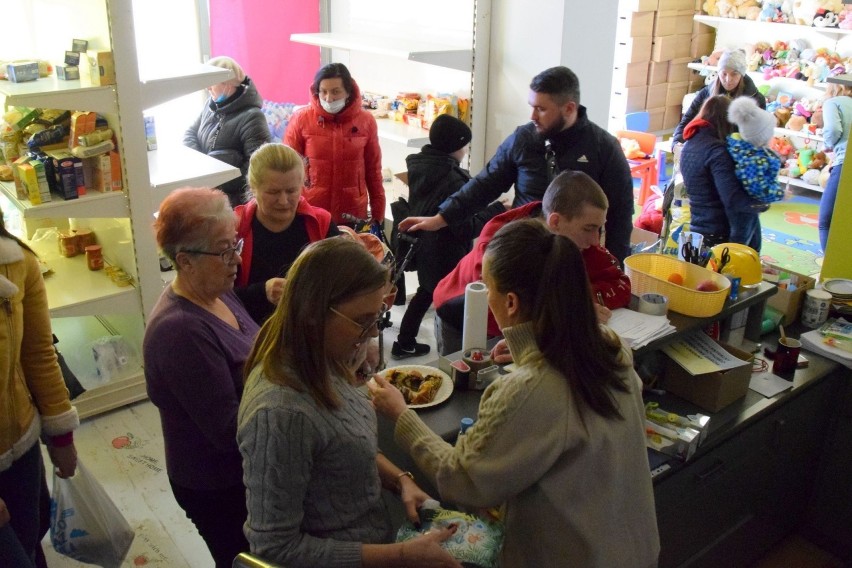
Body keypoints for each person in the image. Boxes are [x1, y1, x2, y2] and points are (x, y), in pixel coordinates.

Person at [370, 219, 660, 568]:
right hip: (632, 546)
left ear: (510, 302)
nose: (484, 294)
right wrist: (528, 347)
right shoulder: (609, 346)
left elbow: (463, 479)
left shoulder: (529, 389)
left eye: (486, 286)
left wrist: (402, 416)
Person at [237, 237, 461, 568]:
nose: (372, 334)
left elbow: (344, 448)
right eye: (362, 320)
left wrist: (400, 480)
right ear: (315, 312)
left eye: (378, 316)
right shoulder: (280, 413)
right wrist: (401, 556)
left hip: (374, 538)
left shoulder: (331, 357)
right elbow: (275, 548)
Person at [399, 66, 634, 265]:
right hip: (524, 255)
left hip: (577, 261)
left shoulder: (605, 148)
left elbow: (620, 217)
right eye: (532, 106)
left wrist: (614, 270)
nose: (532, 115)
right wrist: (441, 218)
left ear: (569, 109)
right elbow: (485, 184)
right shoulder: (523, 139)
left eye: (541, 109)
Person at [143, 187, 260, 567]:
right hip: (218, 485)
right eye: (224, 249)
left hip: (242, 471)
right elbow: (228, 430)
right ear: (185, 261)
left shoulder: (218, 291)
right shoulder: (180, 331)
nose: (237, 258)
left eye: (235, 243)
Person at [433, 170, 632, 356]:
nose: (596, 241)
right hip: (462, 316)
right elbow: (505, 312)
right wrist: (571, 309)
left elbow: (621, 285)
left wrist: (581, 303)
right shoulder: (501, 244)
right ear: (555, 222)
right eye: (589, 229)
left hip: (515, 327)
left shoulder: (578, 238)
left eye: (600, 229)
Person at [0, 210, 78, 566]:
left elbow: (37, 353)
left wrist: (61, 437)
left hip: (20, 441)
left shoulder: (16, 261)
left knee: (32, 534)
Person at [392, 114, 504, 360]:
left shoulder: (421, 166)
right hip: (447, 252)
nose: (465, 151)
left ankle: (405, 342)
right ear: (455, 147)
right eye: (464, 146)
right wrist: (497, 210)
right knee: (446, 300)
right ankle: (447, 351)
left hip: (424, 247)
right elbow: (465, 227)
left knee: (426, 291)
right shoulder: (453, 180)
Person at [234, 142, 341, 324]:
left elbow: (342, 282)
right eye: (273, 192)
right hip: (250, 332)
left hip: (309, 329)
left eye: (292, 191)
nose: (283, 201)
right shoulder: (233, 230)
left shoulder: (321, 224)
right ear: (253, 187)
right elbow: (213, 297)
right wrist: (261, 292)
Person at [284, 62, 386, 227]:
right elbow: (286, 169)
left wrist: (378, 213)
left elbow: (373, 172)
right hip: (311, 212)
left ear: (348, 92)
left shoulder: (366, 122)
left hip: (352, 213)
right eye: (323, 91)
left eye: (336, 92)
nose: (328, 98)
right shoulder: (301, 119)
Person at [679, 95, 765, 251]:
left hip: (697, 229)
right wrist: (760, 203)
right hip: (719, 235)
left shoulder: (689, 145)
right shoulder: (718, 152)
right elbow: (732, 198)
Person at [184, 56, 272, 208]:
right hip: (208, 196)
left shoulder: (252, 117)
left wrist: (216, 181)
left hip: (234, 204)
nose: (208, 88)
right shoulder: (210, 106)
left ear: (228, 84)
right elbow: (189, 134)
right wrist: (202, 168)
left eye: (212, 83)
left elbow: (257, 167)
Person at [673, 49, 766, 144]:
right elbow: (687, 121)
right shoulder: (706, 93)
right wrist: (677, 143)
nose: (728, 79)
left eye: (734, 74)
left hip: (736, 152)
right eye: (724, 73)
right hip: (707, 148)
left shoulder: (756, 100)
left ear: (742, 75)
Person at [726, 96, 783, 203]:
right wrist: (779, 193)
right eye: (770, 131)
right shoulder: (752, 159)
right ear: (762, 136)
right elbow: (758, 189)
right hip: (748, 209)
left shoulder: (748, 151)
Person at [818, 82, 852, 253]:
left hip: (845, 163)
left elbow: (832, 129)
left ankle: (829, 269)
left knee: (826, 221)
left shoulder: (834, 102)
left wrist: (828, 144)